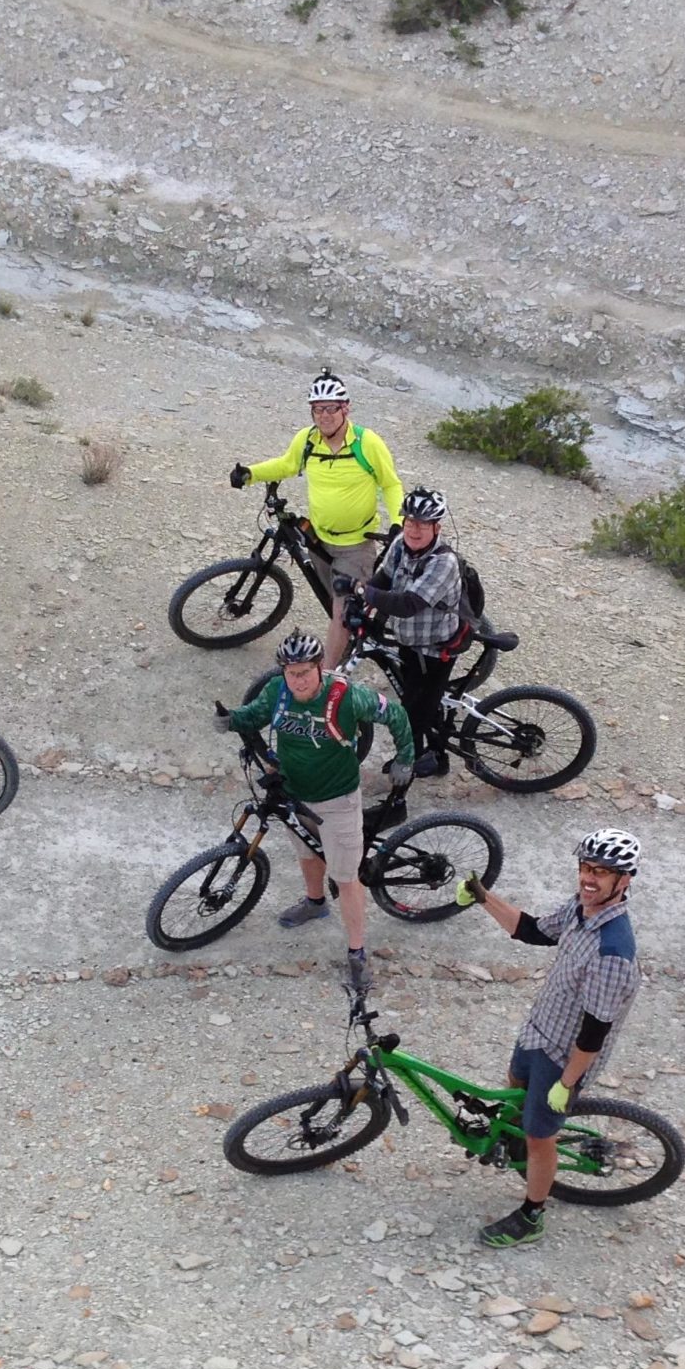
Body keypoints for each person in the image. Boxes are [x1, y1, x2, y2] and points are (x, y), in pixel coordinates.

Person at [451, 830, 644, 1250]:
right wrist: (484, 897)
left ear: (624, 880)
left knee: (540, 1137)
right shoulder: (581, 909)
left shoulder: (613, 951)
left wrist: (567, 1084)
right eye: (586, 868)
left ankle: (532, 1213)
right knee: (513, 1093)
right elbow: (533, 930)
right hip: (540, 1030)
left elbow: (594, 1032)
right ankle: (515, 1139)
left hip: (565, 1054)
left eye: (602, 872)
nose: (589, 879)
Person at [219, 629, 415, 991]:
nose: (298, 680)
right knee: (307, 852)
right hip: (295, 792)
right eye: (291, 672)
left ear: (320, 666)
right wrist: (232, 719)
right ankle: (314, 902)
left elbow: (396, 714)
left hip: (338, 799)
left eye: (305, 672)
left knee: (346, 877)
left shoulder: (348, 696)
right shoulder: (277, 691)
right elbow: (255, 714)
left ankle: (356, 953)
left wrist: (406, 758)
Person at [230, 369, 404, 666]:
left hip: (356, 545)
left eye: (331, 408)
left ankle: (326, 678)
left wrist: (398, 521)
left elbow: (390, 484)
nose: (324, 416)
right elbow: (286, 465)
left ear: (345, 408)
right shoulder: (308, 440)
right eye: (317, 409)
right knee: (334, 600)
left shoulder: (367, 443)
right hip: (319, 540)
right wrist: (251, 474)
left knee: (339, 613)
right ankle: (351, 634)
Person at [358, 487, 468, 778]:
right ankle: (429, 749)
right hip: (410, 641)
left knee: (412, 711)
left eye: (422, 524)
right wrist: (361, 602)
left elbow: (409, 604)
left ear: (436, 528)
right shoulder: (400, 544)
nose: (414, 530)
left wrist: (364, 593)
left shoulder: (444, 562)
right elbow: (384, 577)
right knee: (417, 699)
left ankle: (426, 760)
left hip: (434, 648)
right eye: (410, 522)